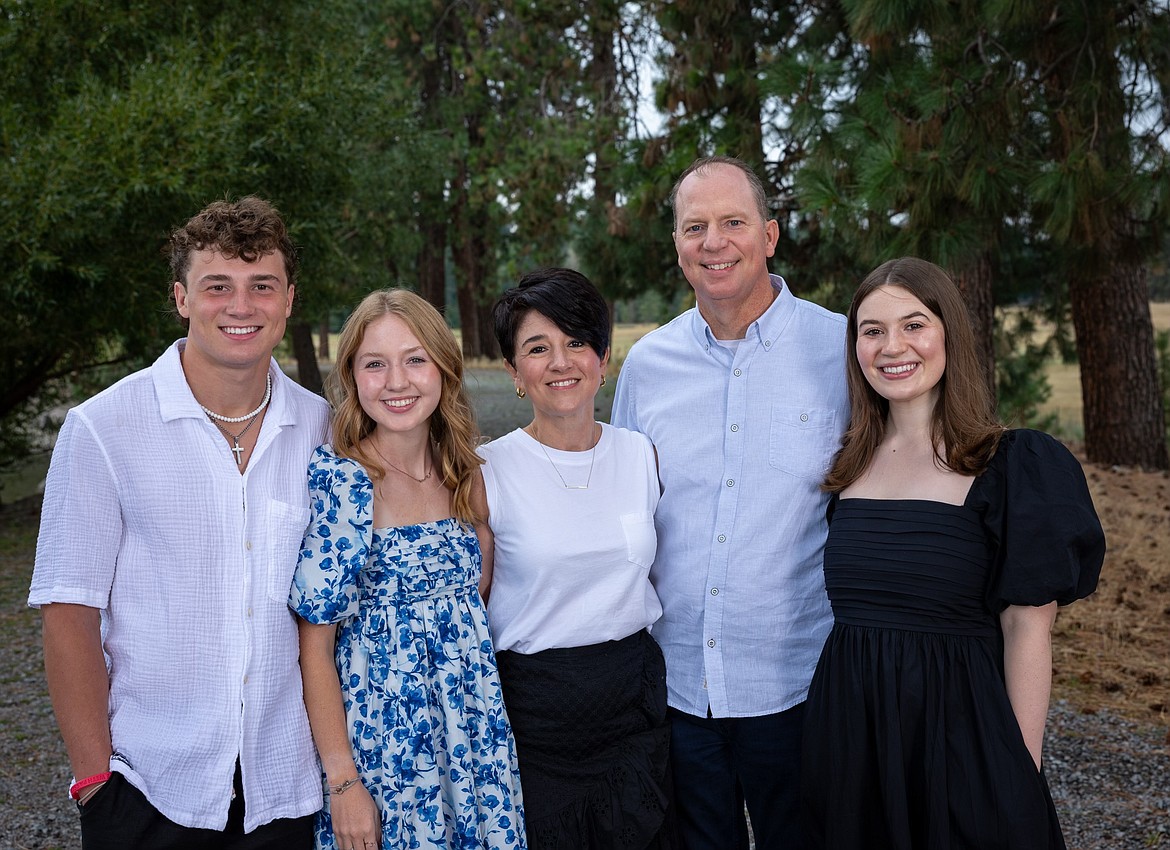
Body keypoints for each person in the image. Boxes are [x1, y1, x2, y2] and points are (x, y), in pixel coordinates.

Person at [29, 196, 330, 849]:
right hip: (147, 791)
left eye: (262, 287)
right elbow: (68, 613)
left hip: (289, 795)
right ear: (181, 299)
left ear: (289, 300)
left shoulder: (324, 431)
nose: (241, 306)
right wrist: (94, 786)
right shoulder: (104, 430)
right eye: (217, 286)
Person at [801, 257, 1105, 849]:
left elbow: (1026, 631)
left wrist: (1018, 771)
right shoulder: (847, 464)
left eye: (914, 324)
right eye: (872, 330)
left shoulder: (1013, 464)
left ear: (949, 334)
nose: (893, 347)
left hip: (962, 740)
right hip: (852, 744)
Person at [610, 155, 849, 849]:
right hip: (680, 687)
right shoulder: (649, 366)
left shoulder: (839, 347)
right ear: (678, 246)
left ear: (770, 236)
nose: (714, 242)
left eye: (733, 222)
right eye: (695, 227)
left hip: (800, 685)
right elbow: (626, 512)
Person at [290, 288, 525, 850]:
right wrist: (343, 783)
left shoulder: (467, 474)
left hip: (474, 744)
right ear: (352, 376)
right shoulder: (344, 482)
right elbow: (315, 650)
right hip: (386, 752)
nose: (397, 382)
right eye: (376, 364)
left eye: (415, 359)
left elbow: (476, 609)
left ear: (443, 367)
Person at [479, 267, 676, 848]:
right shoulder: (486, 472)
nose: (561, 362)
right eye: (538, 348)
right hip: (537, 721)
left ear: (604, 358)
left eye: (576, 343)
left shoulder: (641, 455)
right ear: (515, 373)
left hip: (631, 711)